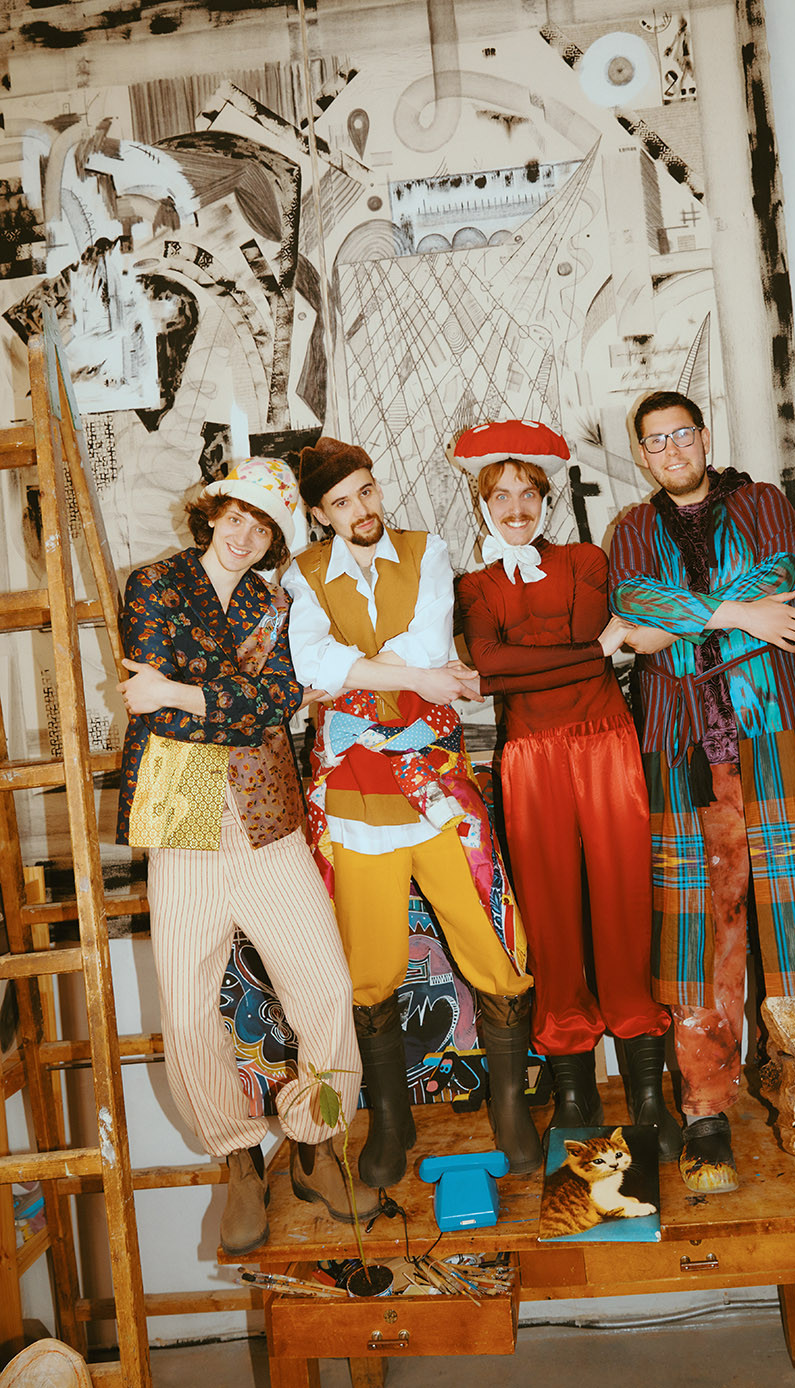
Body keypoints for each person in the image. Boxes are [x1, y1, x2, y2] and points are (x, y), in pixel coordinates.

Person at [116, 457, 375, 1255]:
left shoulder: (276, 603)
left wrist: (179, 692)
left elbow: (277, 702)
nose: (244, 535)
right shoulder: (155, 584)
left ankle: (316, 1144)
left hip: (267, 807)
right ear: (212, 514)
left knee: (326, 986)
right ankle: (237, 1157)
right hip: (180, 796)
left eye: (261, 527)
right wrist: (226, 701)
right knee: (186, 1004)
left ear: (272, 540)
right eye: (235, 517)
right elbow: (185, 704)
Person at [282, 437, 541, 1184]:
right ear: (320, 514)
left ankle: (510, 1107)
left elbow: (425, 645)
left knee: (493, 940)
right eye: (342, 503)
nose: (361, 510)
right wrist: (409, 676)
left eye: (366, 492)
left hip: (436, 786)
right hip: (353, 794)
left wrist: (358, 675)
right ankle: (390, 1121)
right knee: (369, 968)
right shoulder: (302, 575)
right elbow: (309, 664)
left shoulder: (427, 552)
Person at [609, 391, 795, 1193]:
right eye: (655, 441)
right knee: (702, 939)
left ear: (705, 437)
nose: (671, 449)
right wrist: (740, 613)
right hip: (682, 752)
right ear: (642, 454)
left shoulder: (763, 502)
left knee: (786, 924)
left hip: (770, 738)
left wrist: (677, 624)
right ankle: (706, 1107)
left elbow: (780, 574)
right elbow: (633, 605)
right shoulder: (631, 530)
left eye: (682, 434)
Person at [452, 420, 679, 1160]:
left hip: (605, 742)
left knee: (623, 904)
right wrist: (589, 652)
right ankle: (575, 1090)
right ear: (482, 503)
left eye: (528, 493)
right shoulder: (474, 585)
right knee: (549, 915)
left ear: (546, 498)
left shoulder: (585, 559)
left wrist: (516, 666)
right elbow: (497, 665)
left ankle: (647, 1089)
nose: (516, 508)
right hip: (530, 756)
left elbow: (518, 665)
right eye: (501, 495)